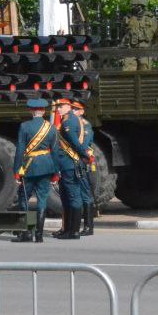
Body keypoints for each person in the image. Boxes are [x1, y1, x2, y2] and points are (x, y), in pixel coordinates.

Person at [12, 98, 58, 243]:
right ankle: (39, 235)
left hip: (29, 167)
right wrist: (56, 172)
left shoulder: (25, 126)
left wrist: (17, 170)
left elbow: (20, 150)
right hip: (46, 166)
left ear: (31, 110)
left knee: (24, 198)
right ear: (44, 111)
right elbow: (55, 152)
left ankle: (26, 234)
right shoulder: (51, 128)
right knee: (42, 199)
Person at [52, 97, 88, 238]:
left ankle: (73, 231)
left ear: (68, 106)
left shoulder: (68, 121)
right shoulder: (69, 119)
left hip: (69, 163)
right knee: (67, 197)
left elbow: (74, 142)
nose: (58, 109)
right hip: (67, 163)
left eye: (61, 106)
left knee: (73, 197)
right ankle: (68, 230)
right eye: (58, 106)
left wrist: (84, 155)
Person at [71, 99, 97, 236]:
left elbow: (83, 145)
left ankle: (88, 227)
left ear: (82, 111)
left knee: (86, 193)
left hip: (82, 162)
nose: (73, 111)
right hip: (75, 161)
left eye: (75, 109)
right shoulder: (74, 125)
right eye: (72, 109)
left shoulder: (85, 127)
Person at [119, 0, 158, 71]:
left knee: (145, 73)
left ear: (140, 6)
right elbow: (122, 33)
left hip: (145, 50)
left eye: (134, 5)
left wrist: (154, 49)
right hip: (129, 50)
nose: (132, 7)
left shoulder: (151, 18)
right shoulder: (127, 18)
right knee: (128, 73)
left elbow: (157, 36)